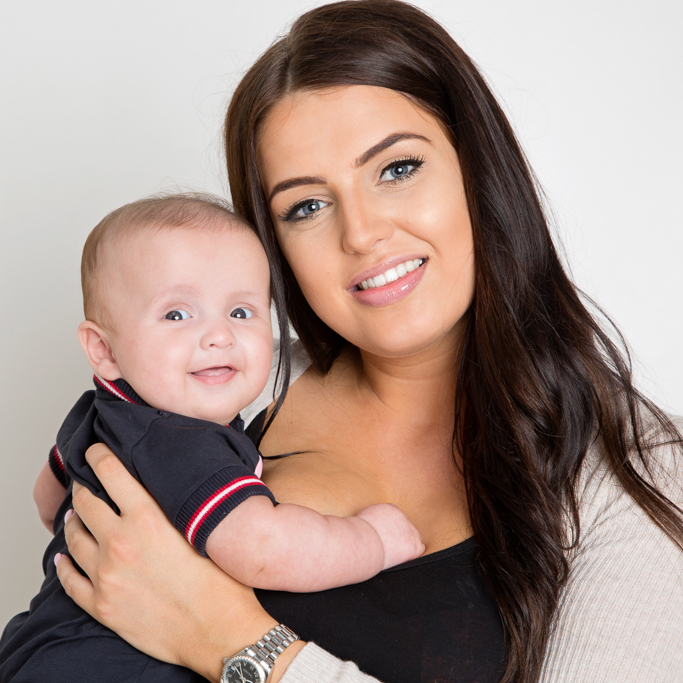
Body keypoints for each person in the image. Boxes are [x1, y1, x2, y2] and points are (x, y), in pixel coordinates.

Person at [47, 1, 683, 682]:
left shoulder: (637, 468)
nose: (361, 232)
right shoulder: (218, 379)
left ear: (476, 167)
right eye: (306, 206)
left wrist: (231, 637)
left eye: (396, 168)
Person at [0, 193, 424, 683]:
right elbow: (263, 551)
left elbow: (48, 497)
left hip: (40, 647)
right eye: (177, 315)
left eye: (241, 312)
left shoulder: (100, 412)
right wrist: (372, 540)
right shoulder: (180, 440)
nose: (219, 335)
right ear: (104, 349)